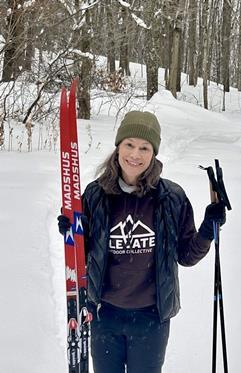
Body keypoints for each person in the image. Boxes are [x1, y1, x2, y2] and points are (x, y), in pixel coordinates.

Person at [58, 111, 226, 373]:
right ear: (118, 146)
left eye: (144, 148)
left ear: (154, 153)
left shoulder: (171, 197)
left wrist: (207, 229)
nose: (135, 155)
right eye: (129, 145)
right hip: (104, 315)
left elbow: (187, 255)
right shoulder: (95, 194)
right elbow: (83, 248)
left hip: (151, 319)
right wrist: (70, 229)